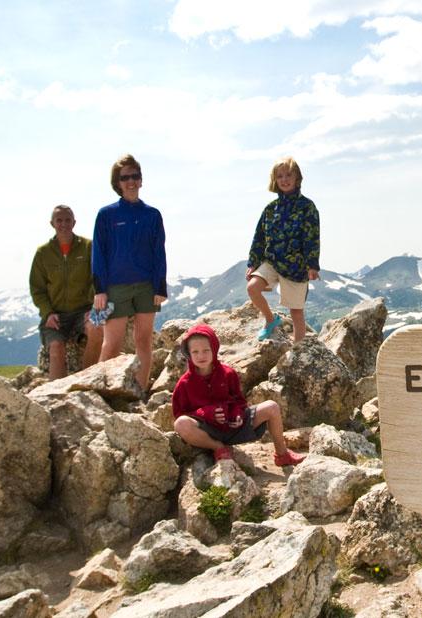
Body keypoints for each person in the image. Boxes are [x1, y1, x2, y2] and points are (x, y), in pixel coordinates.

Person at [172, 324, 306, 468]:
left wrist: (237, 415)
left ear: (214, 349)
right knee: (181, 424)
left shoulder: (228, 373)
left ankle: (282, 454)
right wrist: (207, 414)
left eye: (206, 350)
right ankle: (218, 448)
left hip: (233, 427)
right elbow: (180, 413)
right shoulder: (184, 383)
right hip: (208, 432)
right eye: (195, 352)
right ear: (189, 354)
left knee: (271, 407)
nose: (201, 356)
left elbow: (239, 402)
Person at [91, 154, 167, 390]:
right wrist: (100, 289)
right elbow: (99, 253)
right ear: (118, 183)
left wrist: (160, 287)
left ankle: (141, 392)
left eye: (135, 176)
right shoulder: (106, 215)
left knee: (143, 341)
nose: (131, 181)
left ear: (141, 180)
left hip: (146, 286)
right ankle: (102, 391)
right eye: (125, 177)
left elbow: (158, 252)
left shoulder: (152, 215)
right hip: (115, 288)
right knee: (111, 344)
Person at [246, 156, 320, 343]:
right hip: (271, 261)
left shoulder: (307, 207)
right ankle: (271, 320)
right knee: (253, 288)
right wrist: (253, 262)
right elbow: (259, 237)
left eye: (288, 175)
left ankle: (298, 349)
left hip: (296, 266)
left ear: (297, 178)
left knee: (296, 312)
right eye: (280, 176)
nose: (284, 179)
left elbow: (312, 237)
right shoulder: (270, 209)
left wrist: (312, 265)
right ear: (275, 180)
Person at [29, 205, 103, 380]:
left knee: (97, 328)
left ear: (74, 222)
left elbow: (98, 278)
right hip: (55, 314)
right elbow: (37, 289)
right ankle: (57, 395)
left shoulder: (88, 247)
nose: (63, 224)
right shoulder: (43, 253)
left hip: (83, 310)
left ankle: (87, 383)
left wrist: (93, 308)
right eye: (59, 220)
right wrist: (47, 313)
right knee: (56, 347)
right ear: (52, 223)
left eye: (67, 220)